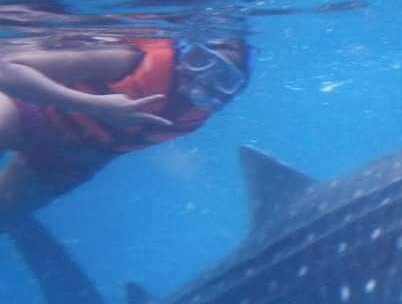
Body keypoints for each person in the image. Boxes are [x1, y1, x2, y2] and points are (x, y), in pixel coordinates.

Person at [0, 33, 249, 226]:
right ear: (185, 52)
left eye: (222, 79)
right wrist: (92, 105)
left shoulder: (196, 116)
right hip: (35, 111)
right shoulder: (129, 59)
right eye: (198, 60)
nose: (201, 78)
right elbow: (5, 69)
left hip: (69, 162)